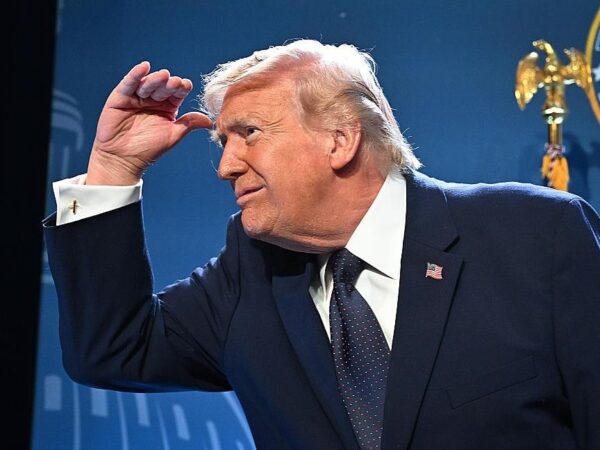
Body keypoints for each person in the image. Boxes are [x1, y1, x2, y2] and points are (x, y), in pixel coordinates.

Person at [44, 40, 600, 449]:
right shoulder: (249, 274)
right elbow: (113, 350)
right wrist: (113, 168)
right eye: (222, 141)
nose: (225, 166)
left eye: (249, 133)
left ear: (340, 138)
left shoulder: (537, 236)